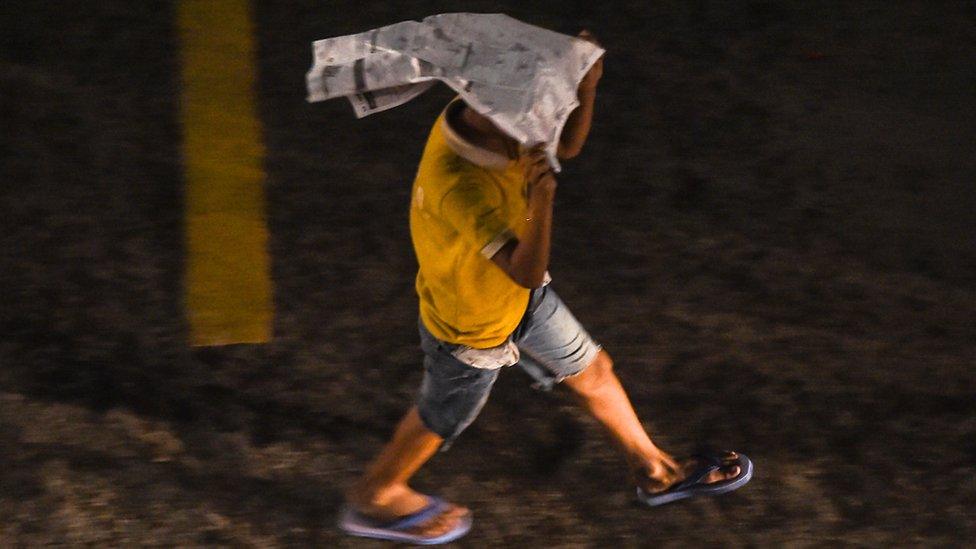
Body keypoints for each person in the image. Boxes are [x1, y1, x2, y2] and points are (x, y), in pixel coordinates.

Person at [338, 31, 752, 545]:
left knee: (594, 370)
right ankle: (376, 493)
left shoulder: (494, 114)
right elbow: (526, 269)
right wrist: (542, 198)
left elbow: (569, 144)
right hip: (472, 323)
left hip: (518, 299)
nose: (543, 118)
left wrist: (590, 84)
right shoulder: (459, 184)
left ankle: (656, 472)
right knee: (441, 416)